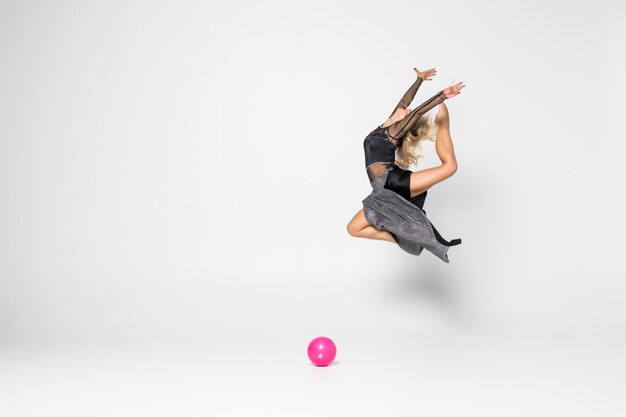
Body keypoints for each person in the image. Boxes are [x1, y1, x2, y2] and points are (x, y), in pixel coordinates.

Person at [346, 67, 465, 262]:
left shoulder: (392, 133)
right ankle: (406, 237)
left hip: (393, 182)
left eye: (407, 115)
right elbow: (405, 101)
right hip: (381, 190)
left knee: (450, 167)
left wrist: (442, 96)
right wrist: (418, 80)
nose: (407, 110)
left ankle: (443, 123)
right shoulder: (384, 127)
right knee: (353, 229)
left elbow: (416, 113)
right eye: (405, 111)